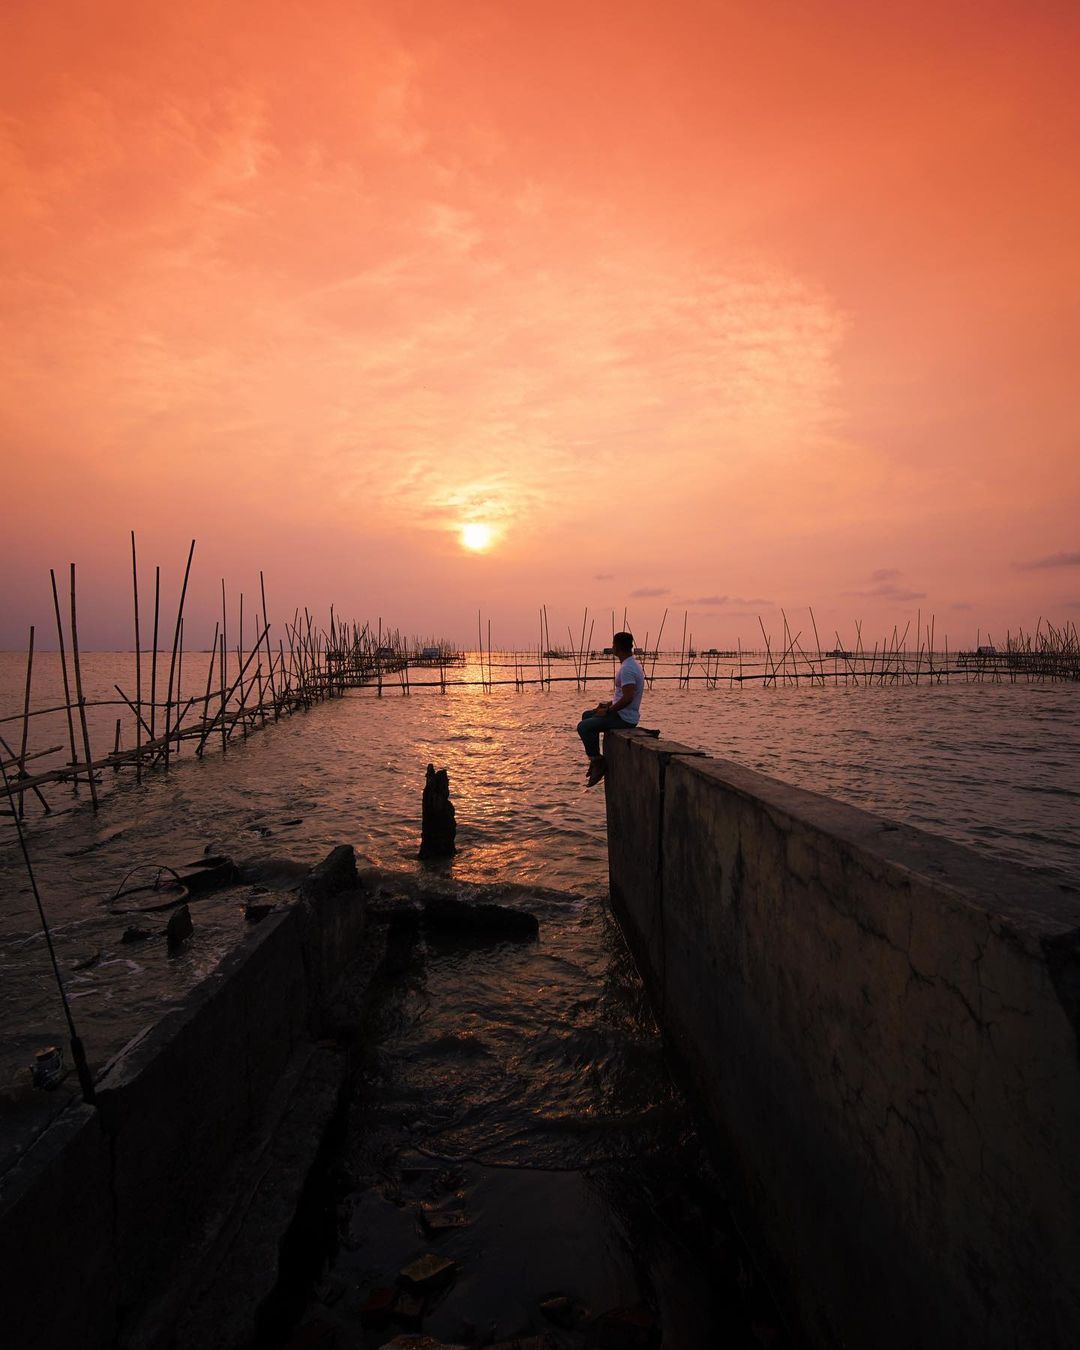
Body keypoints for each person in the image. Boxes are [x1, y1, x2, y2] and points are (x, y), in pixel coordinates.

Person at [576, 631, 645, 787]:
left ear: (617, 647)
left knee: (584, 727)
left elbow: (628, 697)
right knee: (587, 715)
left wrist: (609, 711)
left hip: (624, 718)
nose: (612, 647)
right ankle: (595, 759)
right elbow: (622, 695)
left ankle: (597, 761)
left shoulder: (627, 669)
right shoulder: (630, 664)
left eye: (613, 644)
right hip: (622, 713)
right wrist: (607, 705)